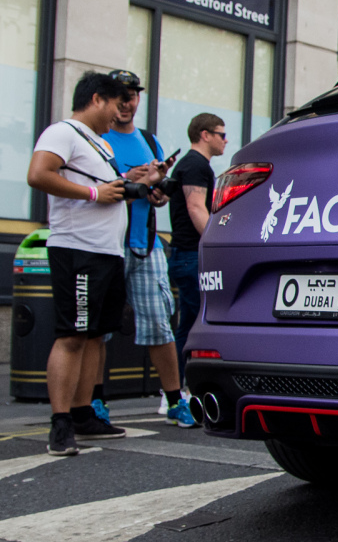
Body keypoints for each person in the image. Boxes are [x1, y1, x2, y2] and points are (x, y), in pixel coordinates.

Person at [25, 71, 157, 455]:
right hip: (77, 249)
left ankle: (84, 413)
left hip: (107, 251)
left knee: (97, 334)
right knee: (72, 335)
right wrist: (93, 192)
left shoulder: (98, 144)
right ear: (97, 99)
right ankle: (61, 422)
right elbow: (38, 175)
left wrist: (138, 187)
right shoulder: (61, 132)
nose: (120, 113)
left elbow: (107, 191)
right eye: (117, 104)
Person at [102, 71, 197, 427]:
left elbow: (156, 197)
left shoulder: (148, 140)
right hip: (106, 244)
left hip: (146, 245)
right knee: (99, 331)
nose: (127, 103)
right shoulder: (97, 139)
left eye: (133, 95)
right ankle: (96, 403)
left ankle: (175, 400)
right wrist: (131, 180)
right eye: (120, 96)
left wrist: (156, 187)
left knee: (160, 323)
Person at [169, 113, 227, 379]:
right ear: (205, 135)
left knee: (188, 323)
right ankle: (184, 387)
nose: (226, 141)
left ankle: (179, 386)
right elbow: (195, 208)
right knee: (195, 324)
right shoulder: (195, 165)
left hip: (186, 254)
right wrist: (214, 246)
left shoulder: (194, 165)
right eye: (221, 135)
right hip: (191, 255)